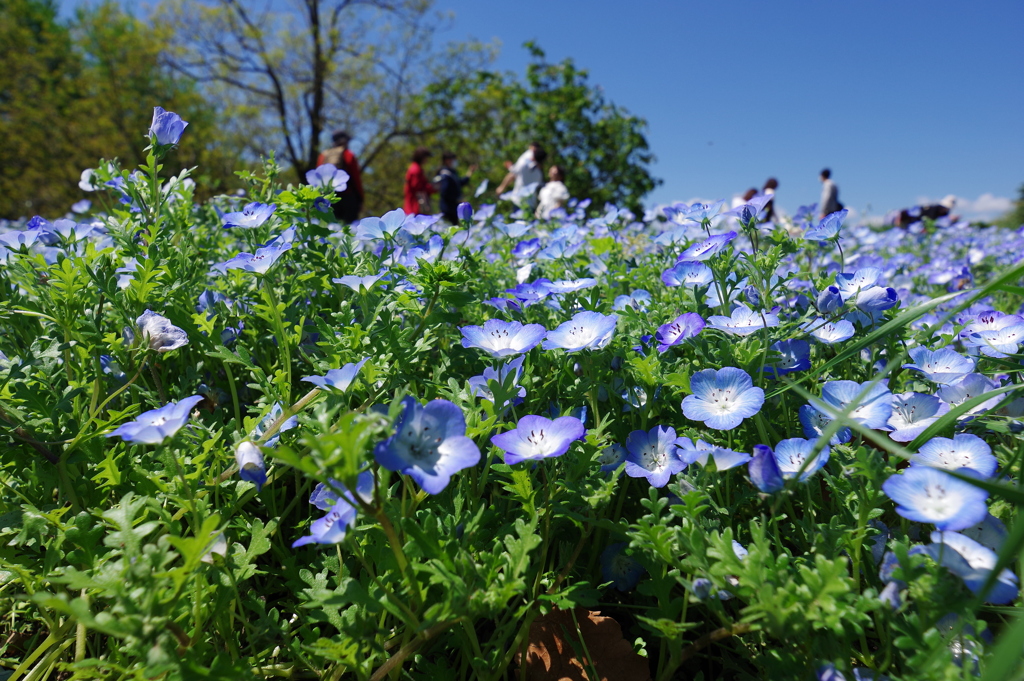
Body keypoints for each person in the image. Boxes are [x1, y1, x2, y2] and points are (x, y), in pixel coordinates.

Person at [316, 130, 363, 223]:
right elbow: (356, 178)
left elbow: (317, 176)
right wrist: (360, 198)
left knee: (329, 227)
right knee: (349, 228)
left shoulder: (323, 155)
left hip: (328, 198)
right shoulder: (349, 154)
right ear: (344, 141)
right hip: (348, 197)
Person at [495, 142, 546, 206]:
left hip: (518, 200)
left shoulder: (524, 164)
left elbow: (513, 174)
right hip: (531, 204)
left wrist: (501, 187)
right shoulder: (539, 174)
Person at [434, 152, 477, 224]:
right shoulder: (445, 174)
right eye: (453, 159)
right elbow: (445, 192)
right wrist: (457, 199)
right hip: (448, 209)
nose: (455, 161)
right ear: (447, 160)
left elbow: (459, 183)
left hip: (453, 208)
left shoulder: (452, 172)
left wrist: (470, 172)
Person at [403, 147, 436, 216]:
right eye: (426, 158)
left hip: (413, 207)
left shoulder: (415, 168)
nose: (427, 160)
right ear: (421, 157)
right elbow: (417, 187)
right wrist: (432, 188)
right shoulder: (416, 169)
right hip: (414, 207)